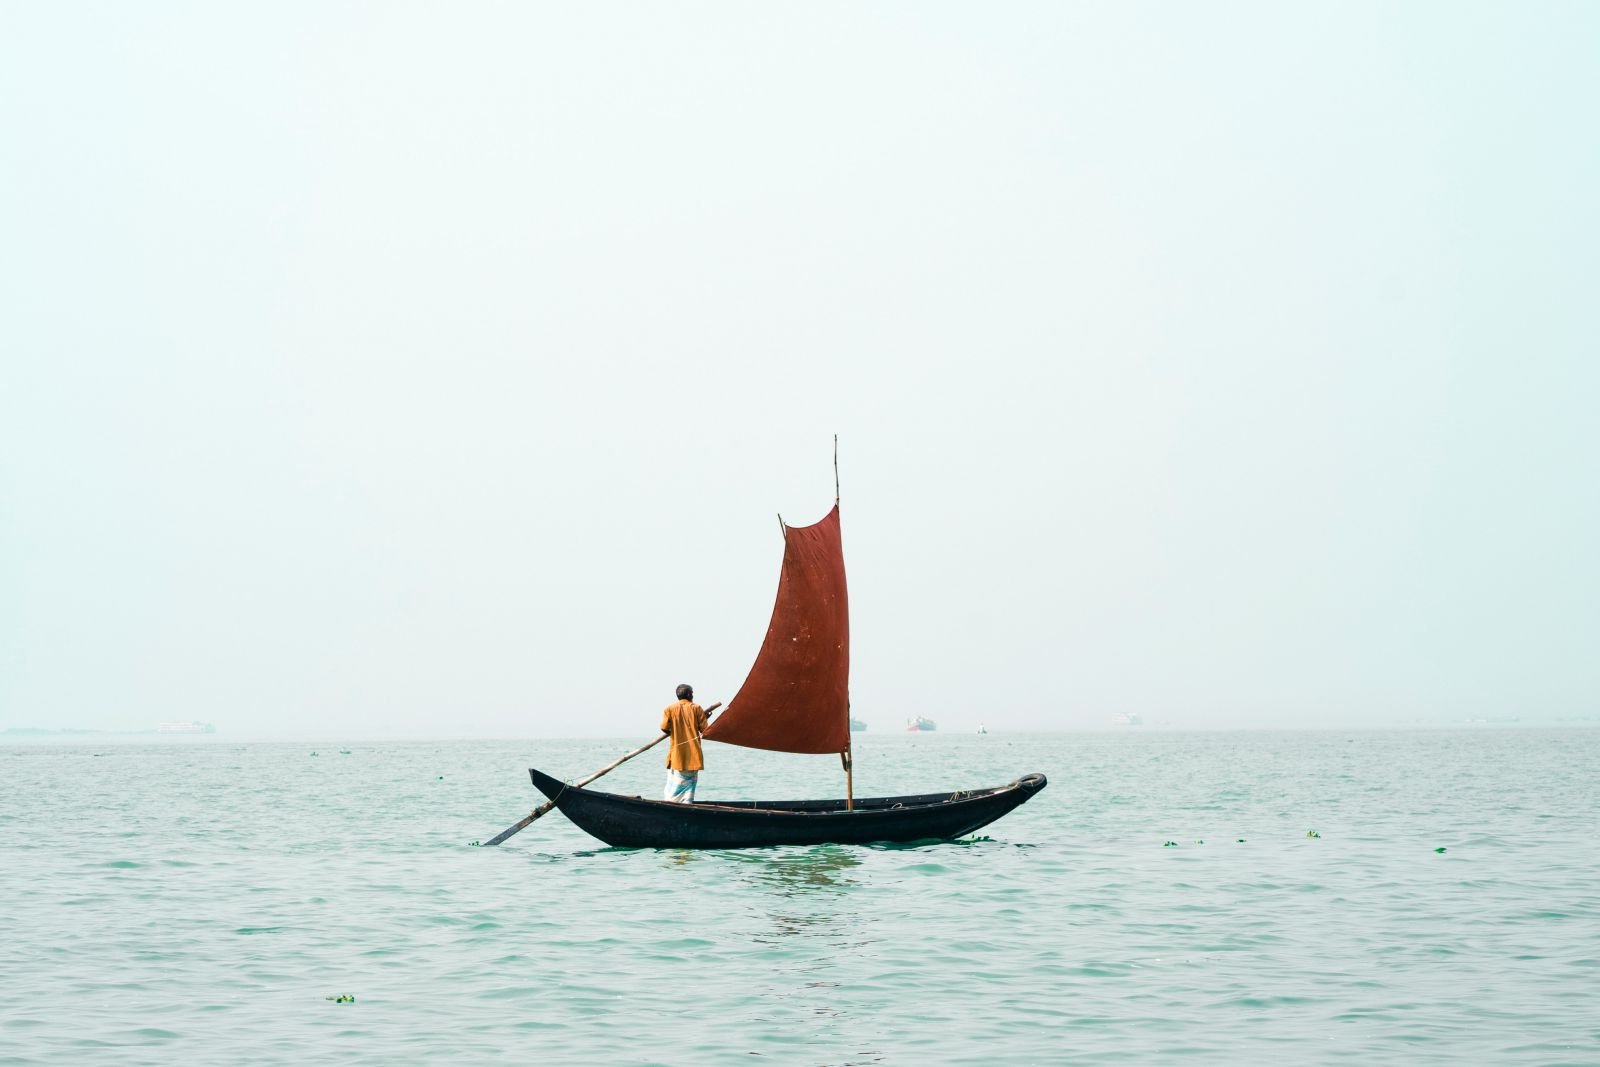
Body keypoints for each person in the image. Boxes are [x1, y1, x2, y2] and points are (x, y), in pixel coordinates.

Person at [660, 683, 709, 803]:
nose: (693, 695)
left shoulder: (669, 709)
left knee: (674, 785)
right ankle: (686, 804)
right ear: (688, 694)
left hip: (676, 755)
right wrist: (704, 717)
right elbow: (705, 730)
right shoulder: (696, 708)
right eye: (692, 693)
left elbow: (665, 728)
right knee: (689, 787)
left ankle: (672, 804)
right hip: (693, 756)